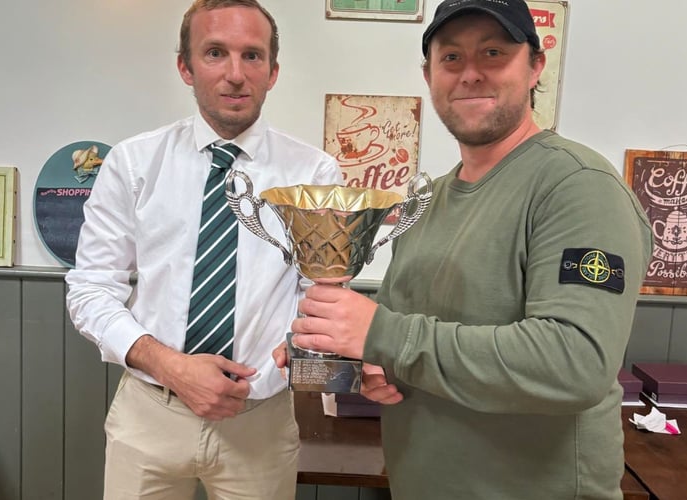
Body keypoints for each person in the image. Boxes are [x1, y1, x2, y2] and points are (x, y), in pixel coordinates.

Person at [279, 0, 653, 498]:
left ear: (536, 65)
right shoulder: (426, 200)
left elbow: (575, 363)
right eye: (451, 58)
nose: (470, 73)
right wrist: (370, 362)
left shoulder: (577, 186)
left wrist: (385, 335)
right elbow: (406, 338)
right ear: (429, 74)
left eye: (494, 52)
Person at [66, 1, 342, 499]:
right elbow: (89, 290)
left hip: (259, 419)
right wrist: (171, 366)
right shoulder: (133, 164)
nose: (236, 74)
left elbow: (317, 294)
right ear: (185, 67)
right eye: (215, 53)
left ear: (273, 71)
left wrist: (305, 344)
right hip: (150, 415)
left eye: (252, 56)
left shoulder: (316, 174)